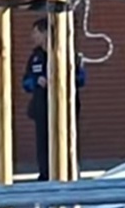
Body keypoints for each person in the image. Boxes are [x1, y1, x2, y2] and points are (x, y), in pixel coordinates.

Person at [22, 18, 86, 181]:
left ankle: (69, 170)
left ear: (45, 33)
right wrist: (37, 81)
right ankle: (45, 173)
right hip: (42, 107)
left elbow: (81, 79)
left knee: (67, 138)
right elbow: (26, 82)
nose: (33, 36)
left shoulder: (68, 54)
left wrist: (61, 80)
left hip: (65, 106)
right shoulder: (35, 57)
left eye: (36, 32)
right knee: (43, 142)